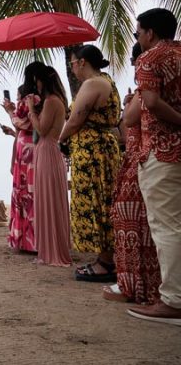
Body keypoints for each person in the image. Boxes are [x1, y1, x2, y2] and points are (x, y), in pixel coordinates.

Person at [127, 8, 181, 325]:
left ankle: (173, 299)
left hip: (162, 151)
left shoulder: (150, 58)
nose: (138, 39)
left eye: (137, 34)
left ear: (149, 33)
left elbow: (151, 101)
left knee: (167, 227)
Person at [59, 45, 122, 281]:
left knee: (96, 201)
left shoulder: (93, 83)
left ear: (82, 62)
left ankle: (106, 262)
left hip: (93, 151)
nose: (72, 67)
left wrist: (61, 140)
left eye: (72, 63)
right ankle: (106, 258)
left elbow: (75, 120)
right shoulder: (105, 81)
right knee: (102, 198)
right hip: (99, 148)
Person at [105, 43, 160, 304]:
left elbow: (129, 121)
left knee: (131, 219)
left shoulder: (147, 88)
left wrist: (131, 105)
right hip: (153, 155)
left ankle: (135, 283)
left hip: (143, 156)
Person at [28, 66, 72, 267]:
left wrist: (31, 110)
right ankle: (50, 248)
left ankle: (52, 251)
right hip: (49, 150)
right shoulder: (57, 101)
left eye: (37, 80)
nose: (36, 84)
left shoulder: (51, 101)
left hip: (47, 149)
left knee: (48, 199)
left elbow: (42, 129)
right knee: (49, 199)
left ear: (43, 81)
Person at [3, 80, 39, 253]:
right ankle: (30, 239)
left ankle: (27, 240)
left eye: (18, 96)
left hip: (27, 152)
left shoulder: (31, 102)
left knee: (25, 194)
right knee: (29, 194)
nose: (17, 100)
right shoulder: (40, 100)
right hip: (28, 149)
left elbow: (22, 124)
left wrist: (10, 111)